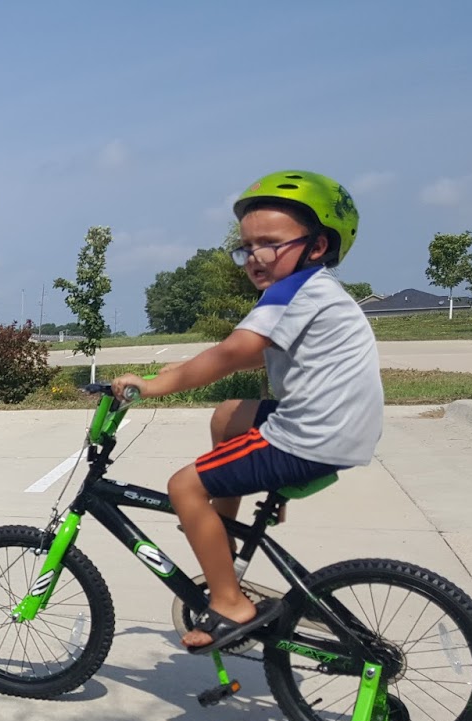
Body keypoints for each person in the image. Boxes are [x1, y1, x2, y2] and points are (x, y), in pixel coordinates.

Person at [112, 170, 379, 653]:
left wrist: (153, 386)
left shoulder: (294, 291)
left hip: (308, 437)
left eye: (270, 244)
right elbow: (259, 354)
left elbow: (233, 353)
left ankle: (230, 602)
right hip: (333, 428)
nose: (255, 256)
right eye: (247, 246)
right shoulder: (316, 291)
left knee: (183, 487)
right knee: (228, 415)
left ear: (317, 246)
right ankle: (224, 532)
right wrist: (180, 369)